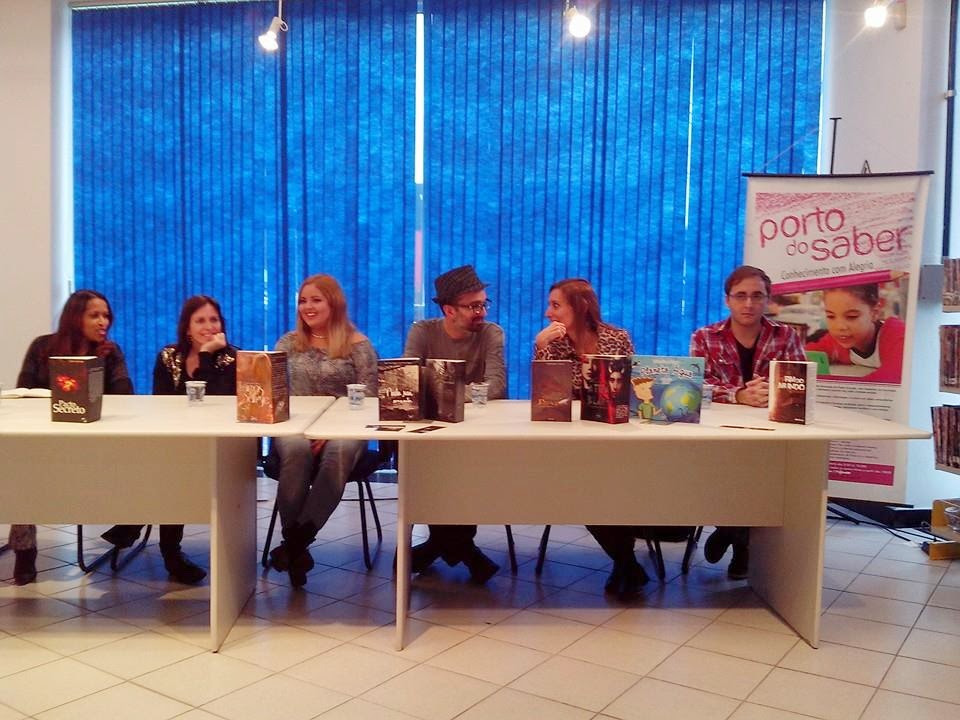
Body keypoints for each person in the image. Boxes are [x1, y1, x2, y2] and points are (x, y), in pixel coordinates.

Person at [101, 295, 238, 584]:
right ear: (187, 327)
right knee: (168, 463)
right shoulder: (168, 356)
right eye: (200, 320)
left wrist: (206, 355)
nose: (209, 326)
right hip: (175, 441)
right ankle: (168, 551)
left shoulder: (232, 358)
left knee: (173, 468)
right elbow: (163, 404)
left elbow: (214, 404)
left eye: (214, 319)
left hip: (216, 444)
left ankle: (136, 523)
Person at [534, 278, 648, 597]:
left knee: (612, 484)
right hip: (572, 443)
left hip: (615, 440)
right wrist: (541, 347)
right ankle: (627, 563)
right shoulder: (551, 342)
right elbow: (545, 399)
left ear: (580, 307)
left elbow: (634, 391)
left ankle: (624, 563)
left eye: (556, 305)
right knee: (582, 487)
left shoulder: (617, 338)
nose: (548, 313)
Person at [689, 265, 805, 578]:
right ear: (727, 300)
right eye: (740, 296)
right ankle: (738, 537)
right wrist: (739, 395)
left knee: (766, 476)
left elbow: (799, 383)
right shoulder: (704, 336)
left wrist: (772, 393)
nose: (749, 304)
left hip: (771, 434)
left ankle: (732, 533)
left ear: (768, 300)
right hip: (718, 436)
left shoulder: (786, 336)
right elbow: (697, 386)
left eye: (757, 296)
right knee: (722, 473)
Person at [11, 290, 133, 585]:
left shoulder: (110, 352)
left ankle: (130, 523)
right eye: (95, 315)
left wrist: (101, 364)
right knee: (18, 468)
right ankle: (24, 550)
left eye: (106, 315)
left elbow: (126, 398)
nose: (103, 322)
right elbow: (23, 392)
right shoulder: (42, 347)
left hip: (95, 444)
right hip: (46, 440)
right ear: (75, 317)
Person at [268, 274, 377, 587]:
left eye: (316, 300)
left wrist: (329, 431)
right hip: (295, 427)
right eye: (303, 300)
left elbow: (370, 397)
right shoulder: (288, 343)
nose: (308, 306)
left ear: (334, 303)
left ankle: (295, 544)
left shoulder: (358, 345)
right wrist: (307, 429)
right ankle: (295, 547)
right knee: (296, 448)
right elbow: (274, 392)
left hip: (345, 428)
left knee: (339, 449)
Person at [403, 265, 506, 584]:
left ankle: (438, 546)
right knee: (429, 465)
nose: (482, 312)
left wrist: (445, 393)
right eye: (474, 306)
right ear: (449, 310)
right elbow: (409, 379)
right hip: (433, 434)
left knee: (464, 466)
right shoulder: (423, 332)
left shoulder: (491, 333)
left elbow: (497, 384)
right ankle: (463, 550)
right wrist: (465, 393)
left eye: (484, 304)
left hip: (478, 433)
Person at [804, 283, 905, 383]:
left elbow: (893, 377)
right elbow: (805, 355)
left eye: (852, 316)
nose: (840, 327)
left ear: (875, 313)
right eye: (831, 316)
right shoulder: (838, 341)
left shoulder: (897, 336)